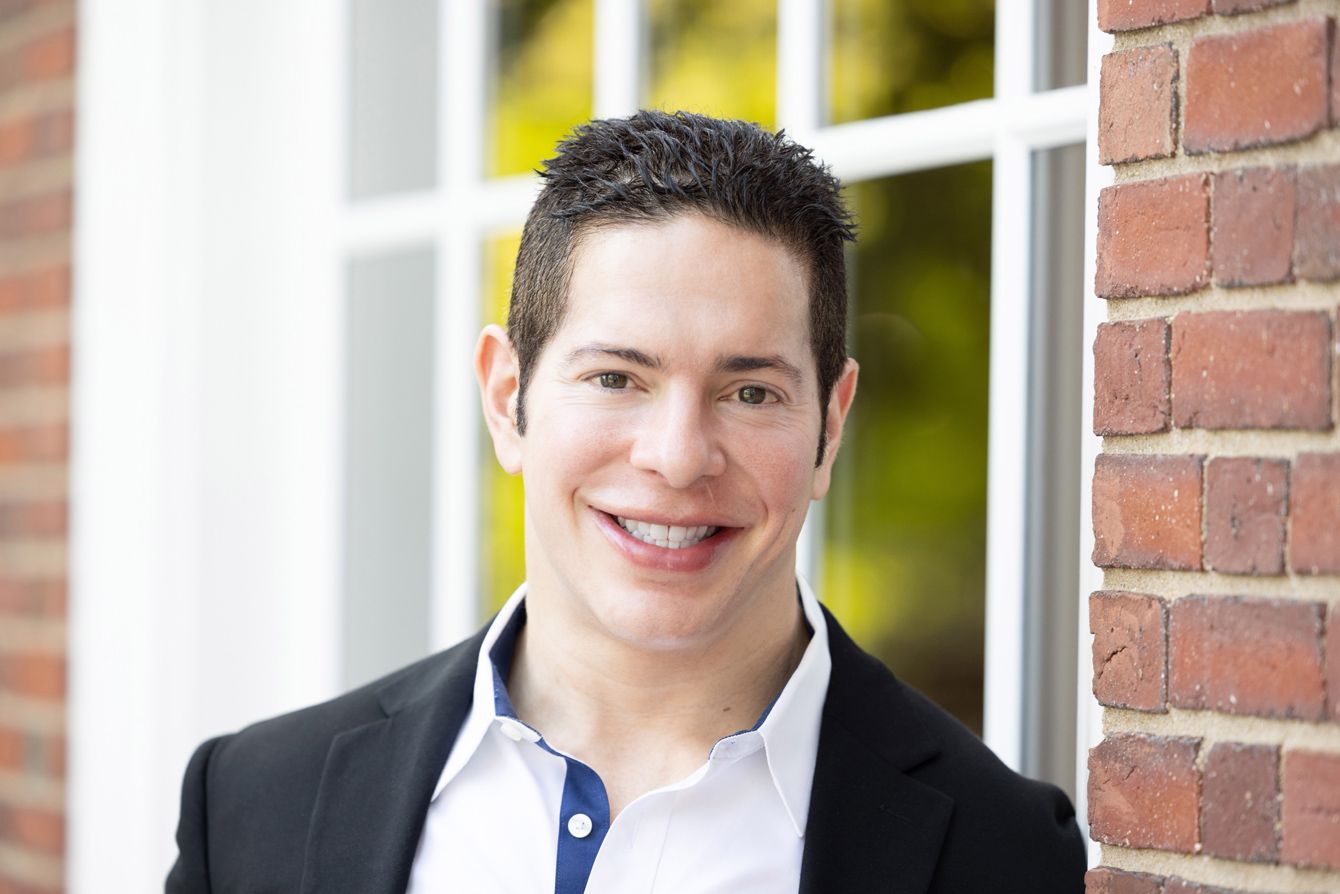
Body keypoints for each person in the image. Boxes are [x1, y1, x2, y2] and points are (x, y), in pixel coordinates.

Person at [166, 110, 1086, 893]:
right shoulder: (253, 804)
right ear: (507, 398)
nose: (678, 459)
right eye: (615, 377)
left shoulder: (1004, 854)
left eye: (750, 392)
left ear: (831, 424)